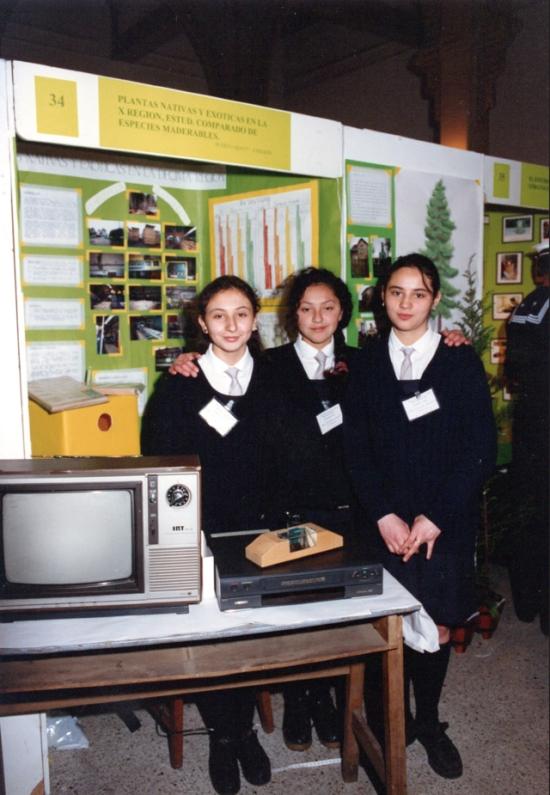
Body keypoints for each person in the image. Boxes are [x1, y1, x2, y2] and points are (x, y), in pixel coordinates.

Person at [344, 253, 496, 780]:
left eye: (418, 293)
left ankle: (428, 722)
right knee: (388, 626)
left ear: (434, 300)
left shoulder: (458, 360)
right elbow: (355, 448)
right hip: (383, 522)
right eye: (396, 293)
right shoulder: (364, 365)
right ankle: (397, 718)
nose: (406, 304)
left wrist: (437, 516)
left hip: (440, 521)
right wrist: (384, 514)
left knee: (434, 621)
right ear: (381, 298)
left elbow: (481, 445)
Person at [141, 275, 272, 795]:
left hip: (264, 527)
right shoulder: (180, 382)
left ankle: (242, 729)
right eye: (219, 315)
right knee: (215, 632)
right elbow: (160, 460)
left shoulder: (276, 376)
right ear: (202, 323)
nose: (232, 325)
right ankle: (226, 734)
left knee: (253, 632)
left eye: (241, 313)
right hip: (201, 528)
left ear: (256, 319)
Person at [504, 242, 549, 635]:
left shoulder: (524, 309)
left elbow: (514, 372)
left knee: (528, 512)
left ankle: (525, 602)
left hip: (529, 422)